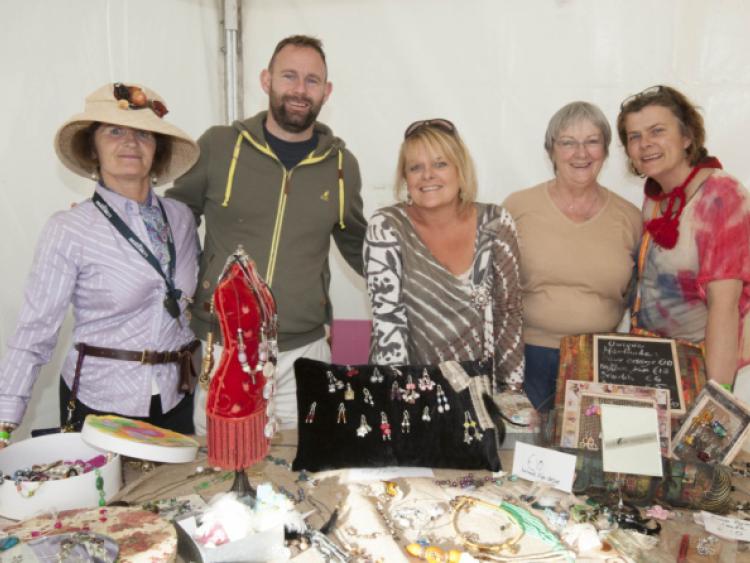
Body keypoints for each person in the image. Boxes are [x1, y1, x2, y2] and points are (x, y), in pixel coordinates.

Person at [167, 35, 366, 432]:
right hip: (222, 346)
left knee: (301, 470)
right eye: (289, 76)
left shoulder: (341, 164)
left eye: (312, 80)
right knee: (220, 466)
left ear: (326, 91)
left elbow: (362, 247)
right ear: (266, 80)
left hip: (303, 351)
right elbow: (174, 218)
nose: (299, 89)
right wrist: (117, 222)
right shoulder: (219, 145)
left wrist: (424, 269)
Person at [0, 83, 201, 447]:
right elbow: (35, 331)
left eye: (144, 133)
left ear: (157, 150)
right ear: (93, 148)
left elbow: (189, 306)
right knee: (105, 506)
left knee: (174, 502)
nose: (130, 142)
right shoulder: (70, 229)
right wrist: (4, 419)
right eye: (114, 131)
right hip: (100, 403)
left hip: (177, 398)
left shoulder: (182, 219)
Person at [365, 119, 524, 392]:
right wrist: (402, 398)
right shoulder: (386, 226)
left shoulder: (496, 222)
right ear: (405, 178)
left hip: (480, 394)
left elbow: (508, 313)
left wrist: (511, 392)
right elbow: (388, 321)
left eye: (440, 164)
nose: (428, 175)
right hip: (408, 391)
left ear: (460, 170)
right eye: (416, 167)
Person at [503, 102, 641, 411]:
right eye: (568, 142)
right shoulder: (516, 208)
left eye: (592, 141)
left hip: (599, 361)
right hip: (527, 360)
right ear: (551, 151)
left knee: (587, 456)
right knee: (526, 455)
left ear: (605, 151)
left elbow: (636, 297)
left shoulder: (630, 218)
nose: (581, 153)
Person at [617, 85, 750, 389]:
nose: (645, 144)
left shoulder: (721, 196)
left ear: (687, 137)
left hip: (709, 369)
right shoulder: (656, 197)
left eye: (657, 131)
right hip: (659, 365)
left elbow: (724, 308)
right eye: (634, 136)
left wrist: (716, 397)